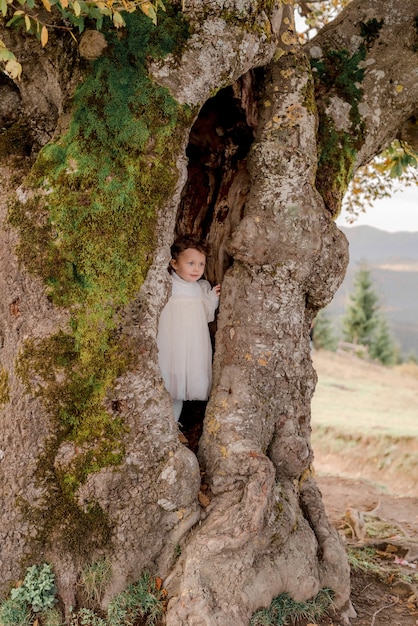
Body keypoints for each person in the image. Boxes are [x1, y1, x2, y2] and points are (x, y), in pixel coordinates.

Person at [157, 235, 221, 421]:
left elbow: (206, 313)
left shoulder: (198, 288)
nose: (197, 269)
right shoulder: (167, 284)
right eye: (191, 263)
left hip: (192, 342)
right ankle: (162, 423)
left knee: (181, 385)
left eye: (201, 264)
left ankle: (173, 425)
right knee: (168, 380)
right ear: (175, 264)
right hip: (171, 340)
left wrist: (212, 297)